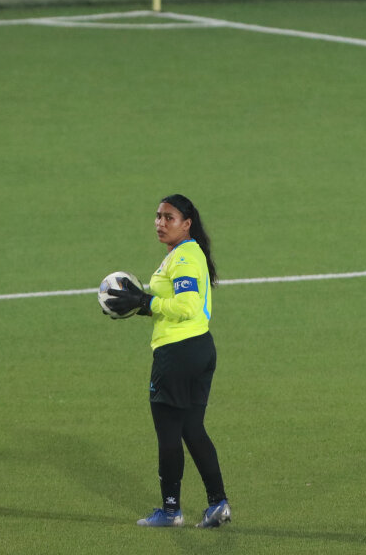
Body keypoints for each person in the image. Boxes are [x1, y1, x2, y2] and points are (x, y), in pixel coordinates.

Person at [103, 193, 231, 529]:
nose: (160, 223)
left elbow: (187, 306)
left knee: (169, 432)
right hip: (199, 349)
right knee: (192, 428)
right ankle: (218, 504)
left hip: (177, 355)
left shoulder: (184, 257)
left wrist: (146, 302)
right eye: (158, 216)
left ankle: (171, 510)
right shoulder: (184, 253)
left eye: (169, 218)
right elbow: (175, 305)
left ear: (186, 224)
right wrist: (140, 305)